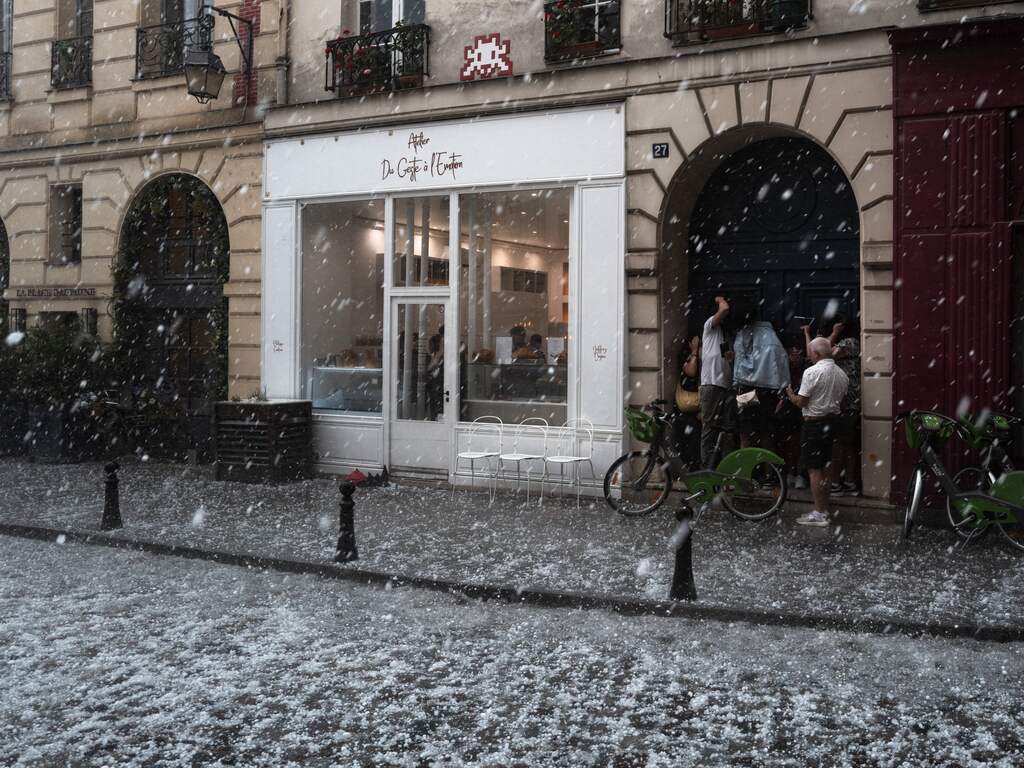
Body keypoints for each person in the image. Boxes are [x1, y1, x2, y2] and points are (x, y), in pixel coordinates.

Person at [784, 335, 849, 527]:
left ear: (817, 353)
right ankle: (824, 509)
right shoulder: (841, 374)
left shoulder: (811, 372)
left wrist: (789, 394)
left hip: (814, 424)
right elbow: (842, 403)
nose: (809, 356)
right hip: (833, 423)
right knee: (827, 469)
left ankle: (819, 513)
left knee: (814, 469)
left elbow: (802, 402)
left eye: (811, 353)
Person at [731, 302, 789, 449]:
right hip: (768, 391)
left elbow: (739, 363)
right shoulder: (771, 337)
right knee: (766, 433)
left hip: (746, 389)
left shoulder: (743, 334)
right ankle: (768, 470)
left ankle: (746, 470)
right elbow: (781, 362)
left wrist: (736, 383)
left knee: (745, 433)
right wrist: (783, 390)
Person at [699, 295, 735, 468]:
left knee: (727, 430)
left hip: (726, 386)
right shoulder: (709, 326)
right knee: (709, 428)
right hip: (712, 383)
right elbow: (725, 309)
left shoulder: (725, 335)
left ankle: (725, 468)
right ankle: (707, 468)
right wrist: (720, 298)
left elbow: (729, 359)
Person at [829, 316, 861, 496]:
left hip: (846, 402)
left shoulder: (849, 342)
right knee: (847, 442)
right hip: (848, 402)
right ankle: (849, 481)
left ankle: (836, 482)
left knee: (839, 443)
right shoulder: (853, 342)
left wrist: (833, 333)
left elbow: (821, 354)